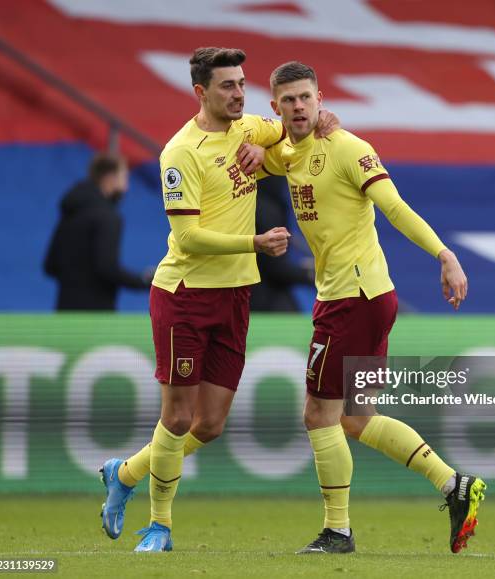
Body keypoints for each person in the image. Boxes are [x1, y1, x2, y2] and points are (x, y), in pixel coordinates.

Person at [98, 47, 338, 553]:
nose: (239, 94)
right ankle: (159, 526)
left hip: (234, 295)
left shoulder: (250, 129)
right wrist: (253, 243)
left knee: (210, 424)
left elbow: (295, 128)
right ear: (200, 93)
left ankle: (125, 472)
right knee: (179, 417)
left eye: (242, 84)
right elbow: (186, 239)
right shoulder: (179, 152)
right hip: (184, 295)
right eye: (227, 86)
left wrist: (324, 121)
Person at [260, 61, 486, 555]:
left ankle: (337, 531)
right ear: (275, 106)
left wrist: (444, 255)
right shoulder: (288, 153)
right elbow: (262, 151)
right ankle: (454, 485)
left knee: (319, 413)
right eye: (287, 100)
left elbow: (395, 207)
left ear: (320, 98)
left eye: (305, 97)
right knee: (355, 418)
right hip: (351, 297)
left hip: (355, 299)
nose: (298, 107)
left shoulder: (348, 147)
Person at [44, 153, 151, 310]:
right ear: (109, 178)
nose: (126, 187)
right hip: (96, 316)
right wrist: (143, 282)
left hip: (64, 312)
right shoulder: (108, 217)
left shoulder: (71, 211)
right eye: (124, 178)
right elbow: (107, 268)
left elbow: (50, 265)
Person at [250, 175, 314, 311]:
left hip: (249, 293)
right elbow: (275, 267)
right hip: (262, 300)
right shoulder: (267, 210)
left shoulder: (256, 204)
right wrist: (311, 274)